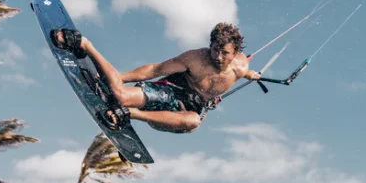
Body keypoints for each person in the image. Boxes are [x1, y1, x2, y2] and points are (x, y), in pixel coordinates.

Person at [50, 22, 261, 133]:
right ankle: (86, 45)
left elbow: (246, 71)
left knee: (194, 121)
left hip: (184, 112)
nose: (218, 56)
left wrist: (252, 75)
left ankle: (130, 114)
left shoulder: (240, 68)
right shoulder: (195, 58)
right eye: (215, 49)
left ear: (235, 53)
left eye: (224, 52)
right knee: (119, 95)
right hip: (170, 92)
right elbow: (155, 70)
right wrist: (120, 78)